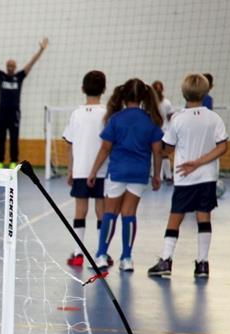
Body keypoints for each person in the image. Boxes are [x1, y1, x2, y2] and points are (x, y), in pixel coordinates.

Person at [147, 74, 228, 279]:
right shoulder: (214, 118)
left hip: (184, 177)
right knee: (204, 218)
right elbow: (223, 146)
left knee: (175, 218)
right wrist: (201, 162)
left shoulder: (178, 119)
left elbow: (168, 148)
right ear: (206, 92)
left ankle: (166, 260)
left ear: (183, 93)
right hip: (207, 177)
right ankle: (202, 264)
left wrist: (157, 148)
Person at [87, 79, 164, 272]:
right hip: (139, 173)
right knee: (129, 214)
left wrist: (93, 171)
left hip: (118, 171)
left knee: (109, 213)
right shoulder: (150, 120)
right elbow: (157, 151)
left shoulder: (116, 119)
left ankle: (102, 255)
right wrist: (157, 175)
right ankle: (127, 258)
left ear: (124, 95)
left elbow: (105, 149)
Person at [0, 36, 48, 169]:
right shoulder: (1, 76)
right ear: (6, 66)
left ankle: (13, 162)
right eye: (8, 65)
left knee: (14, 140)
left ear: (15, 67)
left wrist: (41, 49)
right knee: (1, 139)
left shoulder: (19, 77)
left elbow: (31, 63)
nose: (10, 67)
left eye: (12, 65)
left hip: (14, 114)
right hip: (2, 113)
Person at [63, 70, 107, 267]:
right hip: (102, 171)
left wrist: (70, 169)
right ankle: (101, 254)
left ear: (82, 89)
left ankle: (78, 253)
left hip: (81, 169)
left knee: (80, 211)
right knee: (102, 211)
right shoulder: (107, 113)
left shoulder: (77, 114)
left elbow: (70, 143)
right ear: (104, 89)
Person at [152, 80, 175, 182]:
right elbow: (171, 117)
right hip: (160, 131)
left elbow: (171, 117)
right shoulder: (165, 102)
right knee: (162, 153)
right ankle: (166, 176)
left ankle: (163, 176)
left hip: (160, 131)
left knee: (159, 153)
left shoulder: (164, 102)